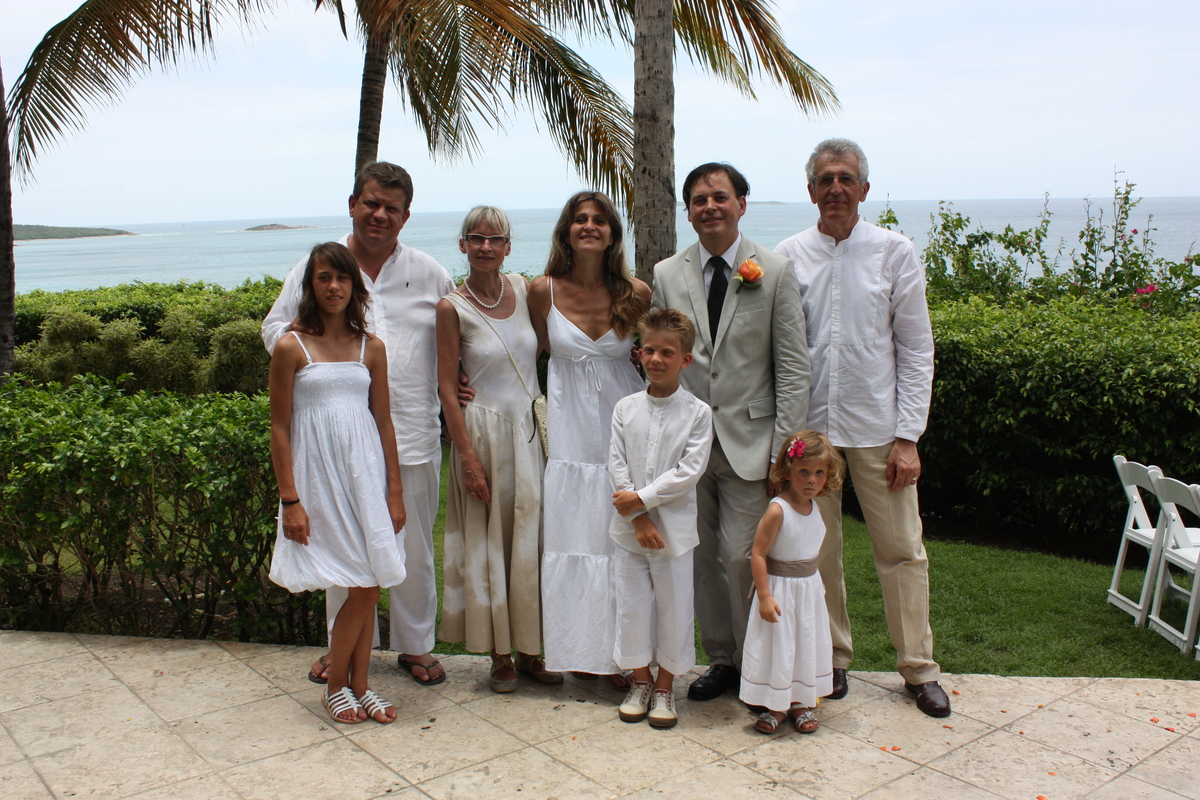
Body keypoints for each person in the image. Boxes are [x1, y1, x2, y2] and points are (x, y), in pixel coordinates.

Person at [774, 138, 948, 717]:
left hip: (878, 431)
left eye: (846, 178)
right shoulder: (788, 256)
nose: (836, 189)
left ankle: (918, 667)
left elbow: (916, 348)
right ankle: (831, 660)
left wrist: (909, 437)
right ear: (811, 191)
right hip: (812, 438)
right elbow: (778, 349)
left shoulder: (894, 252)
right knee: (817, 554)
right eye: (825, 179)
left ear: (864, 189)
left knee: (902, 551)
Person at [263, 162, 452, 687]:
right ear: (352, 205)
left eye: (392, 208)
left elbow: (457, 334)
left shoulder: (430, 273)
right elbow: (276, 328)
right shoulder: (318, 266)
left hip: (409, 431)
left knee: (412, 547)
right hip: (336, 445)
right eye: (371, 203)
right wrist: (308, 348)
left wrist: (462, 378)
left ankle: (415, 645)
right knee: (340, 549)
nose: (379, 215)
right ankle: (339, 651)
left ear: (406, 216)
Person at [650, 163, 810, 701]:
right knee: (700, 559)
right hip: (686, 444)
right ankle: (721, 659)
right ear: (688, 211)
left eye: (719, 197)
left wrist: (784, 454)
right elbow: (662, 353)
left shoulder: (775, 271)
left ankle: (756, 663)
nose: (709, 207)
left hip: (752, 444)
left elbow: (793, 368)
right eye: (699, 200)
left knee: (742, 558)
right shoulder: (667, 273)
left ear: (742, 203)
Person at [268, 242, 407, 725]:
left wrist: (394, 490)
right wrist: (290, 500)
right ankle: (337, 688)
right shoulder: (291, 346)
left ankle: (359, 687)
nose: (333, 287)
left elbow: (384, 422)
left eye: (342, 278)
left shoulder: (372, 347)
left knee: (368, 584)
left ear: (355, 286)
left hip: (365, 480)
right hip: (319, 482)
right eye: (324, 277)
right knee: (362, 586)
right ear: (310, 285)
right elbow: (279, 427)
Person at [436, 206, 561, 693]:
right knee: (490, 543)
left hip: (530, 433)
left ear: (508, 247)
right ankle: (499, 654)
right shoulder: (451, 308)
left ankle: (530, 648)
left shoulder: (525, 289)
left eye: (495, 239)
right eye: (476, 238)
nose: (485, 247)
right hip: (483, 436)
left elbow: (549, 346)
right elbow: (447, 389)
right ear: (463, 245)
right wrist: (466, 457)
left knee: (531, 541)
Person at [528, 191, 651, 683]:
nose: (589, 226)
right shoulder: (543, 291)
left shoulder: (636, 293)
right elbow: (529, 350)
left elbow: (653, 352)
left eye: (600, 220)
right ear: (566, 231)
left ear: (613, 233)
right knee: (576, 537)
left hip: (624, 421)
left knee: (621, 543)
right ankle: (580, 651)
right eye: (580, 219)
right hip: (571, 430)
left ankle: (624, 656)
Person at [608, 309, 712, 729]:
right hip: (629, 531)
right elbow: (617, 464)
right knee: (631, 607)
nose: (655, 359)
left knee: (673, 608)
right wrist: (638, 516)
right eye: (648, 350)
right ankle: (640, 681)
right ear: (639, 353)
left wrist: (643, 500)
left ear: (685, 359)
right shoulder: (625, 408)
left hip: (674, 533)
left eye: (667, 352)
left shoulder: (698, 413)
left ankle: (666, 687)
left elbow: (688, 472)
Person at [740, 430, 844, 734]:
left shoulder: (816, 508)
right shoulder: (777, 510)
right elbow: (758, 554)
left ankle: (801, 701)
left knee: (804, 644)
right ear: (787, 471)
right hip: (781, 592)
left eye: (819, 473)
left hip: (807, 592)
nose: (812, 480)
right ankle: (776, 705)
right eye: (804, 472)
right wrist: (764, 596)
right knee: (781, 647)